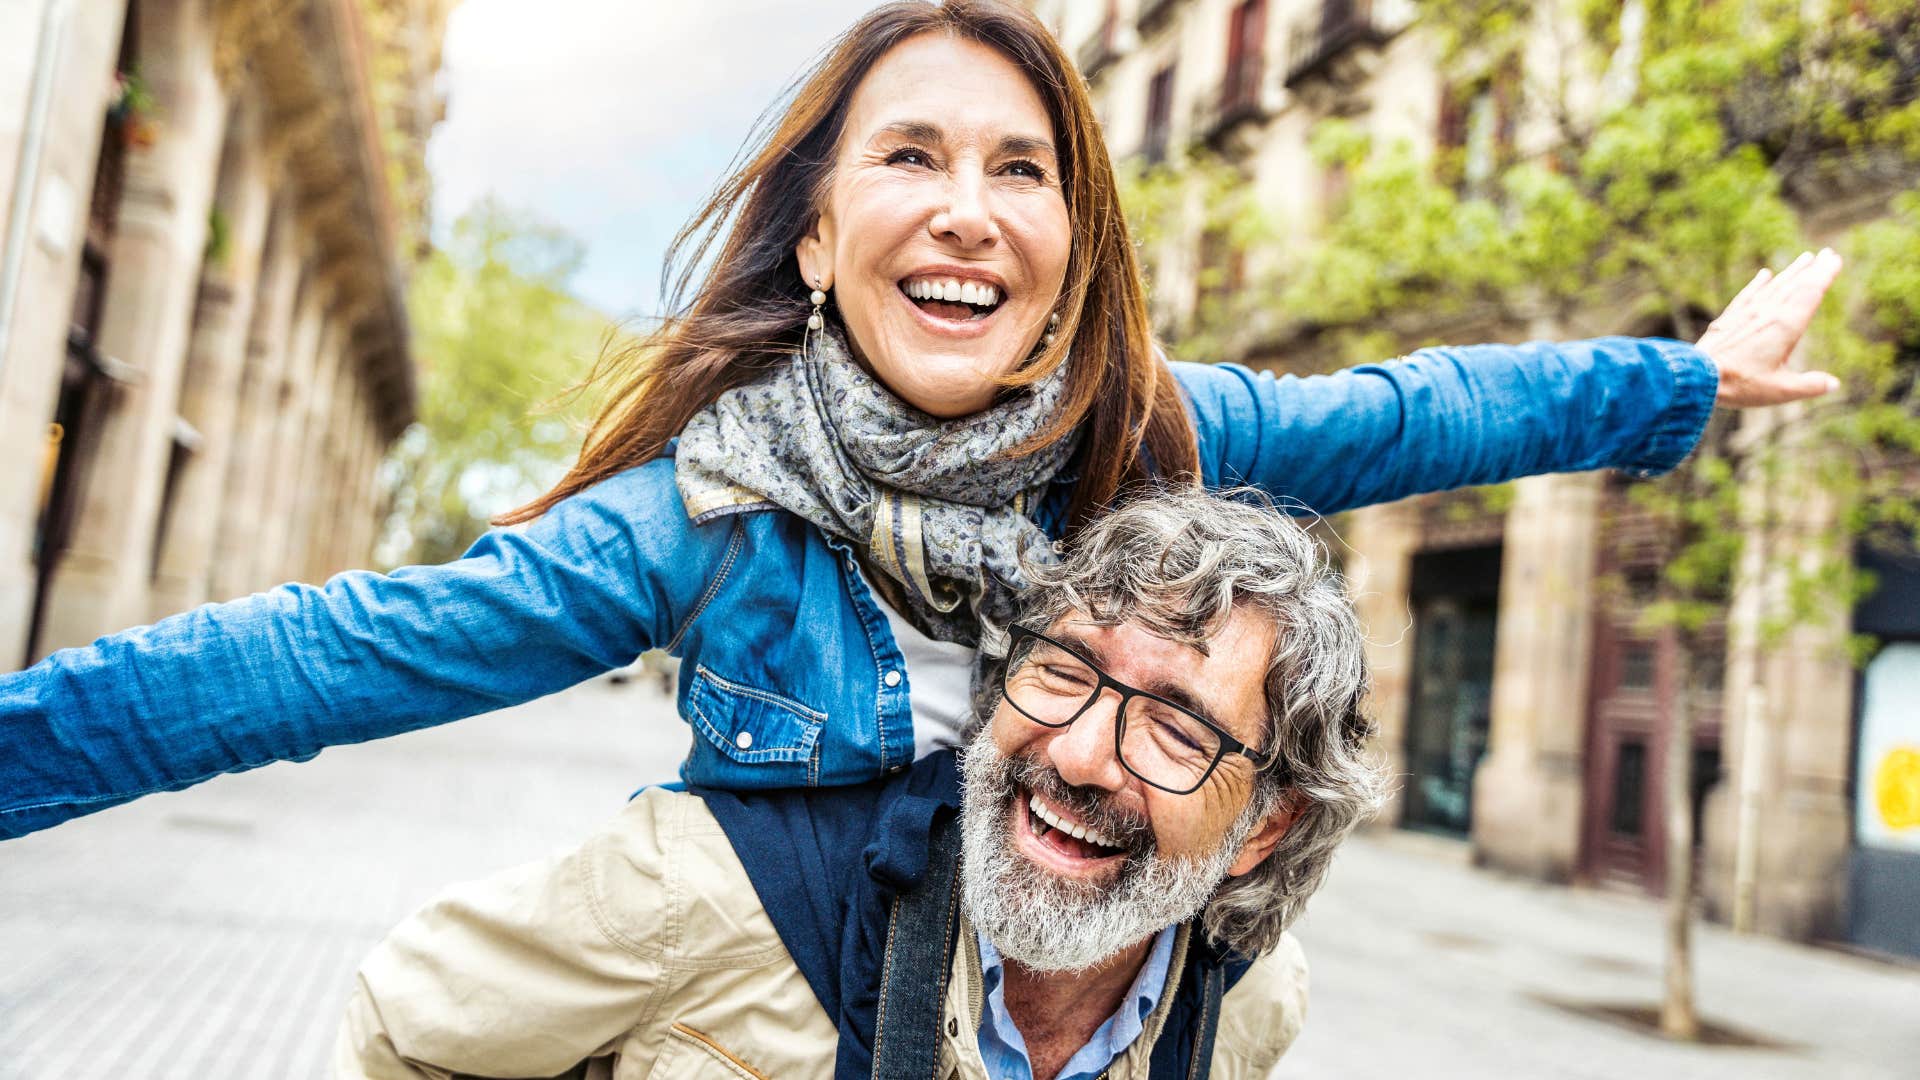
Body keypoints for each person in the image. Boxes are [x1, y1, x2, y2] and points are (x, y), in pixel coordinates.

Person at [0, 0, 1844, 841]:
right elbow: (327, 657)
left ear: (1067, 245)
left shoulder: (1152, 433)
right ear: (818, 235)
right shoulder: (704, 515)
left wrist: (1683, 378)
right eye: (912, 157)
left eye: (1021, 169)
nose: (968, 206)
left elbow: (1422, 407)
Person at [334, 489, 1383, 1080]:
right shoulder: (706, 887)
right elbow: (400, 1032)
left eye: (1172, 726)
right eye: (1063, 670)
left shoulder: (1248, 995)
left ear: (1263, 825)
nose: (1074, 754)